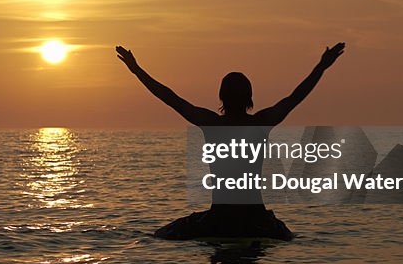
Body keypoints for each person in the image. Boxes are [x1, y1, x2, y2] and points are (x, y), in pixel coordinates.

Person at [115, 42, 345, 241]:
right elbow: (295, 97)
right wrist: (321, 67)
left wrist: (137, 70)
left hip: (221, 217)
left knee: (157, 237)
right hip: (255, 217)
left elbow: (171, 98)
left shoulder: (212, 124)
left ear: (221, 96)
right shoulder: (260, 123)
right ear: (249, 97)